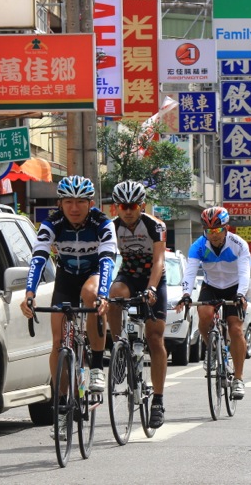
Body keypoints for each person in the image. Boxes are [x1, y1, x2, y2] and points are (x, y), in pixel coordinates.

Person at [20, 175, 117, 436]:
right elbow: (39, 257)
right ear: (60, 203)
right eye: (69, 202)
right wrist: (29, 292)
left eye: (81, 202)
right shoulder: (52, 223)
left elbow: (108, 260)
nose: (75, 208)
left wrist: (104, 296)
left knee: (91, 294)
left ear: (91, 203)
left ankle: (96, 364)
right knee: (58, 341)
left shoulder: (102, 223)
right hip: (65, 277)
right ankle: (61, 405)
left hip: (94, 273)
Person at [107, 181, 167, 428]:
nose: (128, 210)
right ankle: (118, 348)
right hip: (129, 276)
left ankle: (158, 401)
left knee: (154, 338)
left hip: (153, 278)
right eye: (123, 206)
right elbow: (108, 260)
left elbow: (159, 260)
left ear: (141, 206)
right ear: (116, 207)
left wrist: (152, 288)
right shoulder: (111, 228)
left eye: (133, 206)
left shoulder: (156, 226)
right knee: (114, 294)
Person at [176, 207, 250, 400]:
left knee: (235, 329)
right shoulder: (198, 246)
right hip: (212, 286)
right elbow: (190, 272)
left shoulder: (238, 245)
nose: (213, 236)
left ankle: (238, 379)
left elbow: (244, 273)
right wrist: (186, 293)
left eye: (217, 231)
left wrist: (241, 294)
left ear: (226, 228)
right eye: (209, 231)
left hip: (234, 288)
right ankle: (212, 349)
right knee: (204, 314)